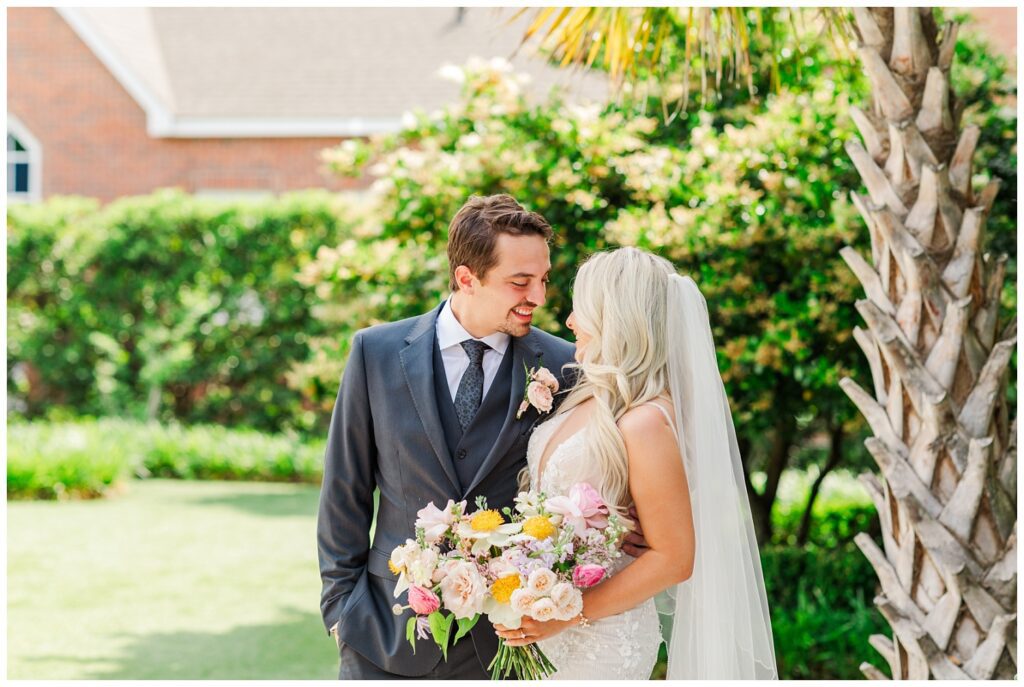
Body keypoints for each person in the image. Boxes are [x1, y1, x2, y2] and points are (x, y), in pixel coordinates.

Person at [317, 195, 647, 679]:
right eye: (520, 282)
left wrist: (619, 529)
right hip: (385, 635)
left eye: (544, 279)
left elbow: (601, 478)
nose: (538, 296)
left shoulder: (566, 367)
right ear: (467, 278)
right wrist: (341, 613)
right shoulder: (376, 352)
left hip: (511, 643)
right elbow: (344, 492)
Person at [494, 247, 777, 680]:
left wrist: (568, 614)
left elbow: (674, 558)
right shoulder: (589, 396)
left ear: (616, 316)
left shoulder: (646, 419)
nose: (569, 322)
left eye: (581, 310)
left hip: (604, 640)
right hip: (550, 634)